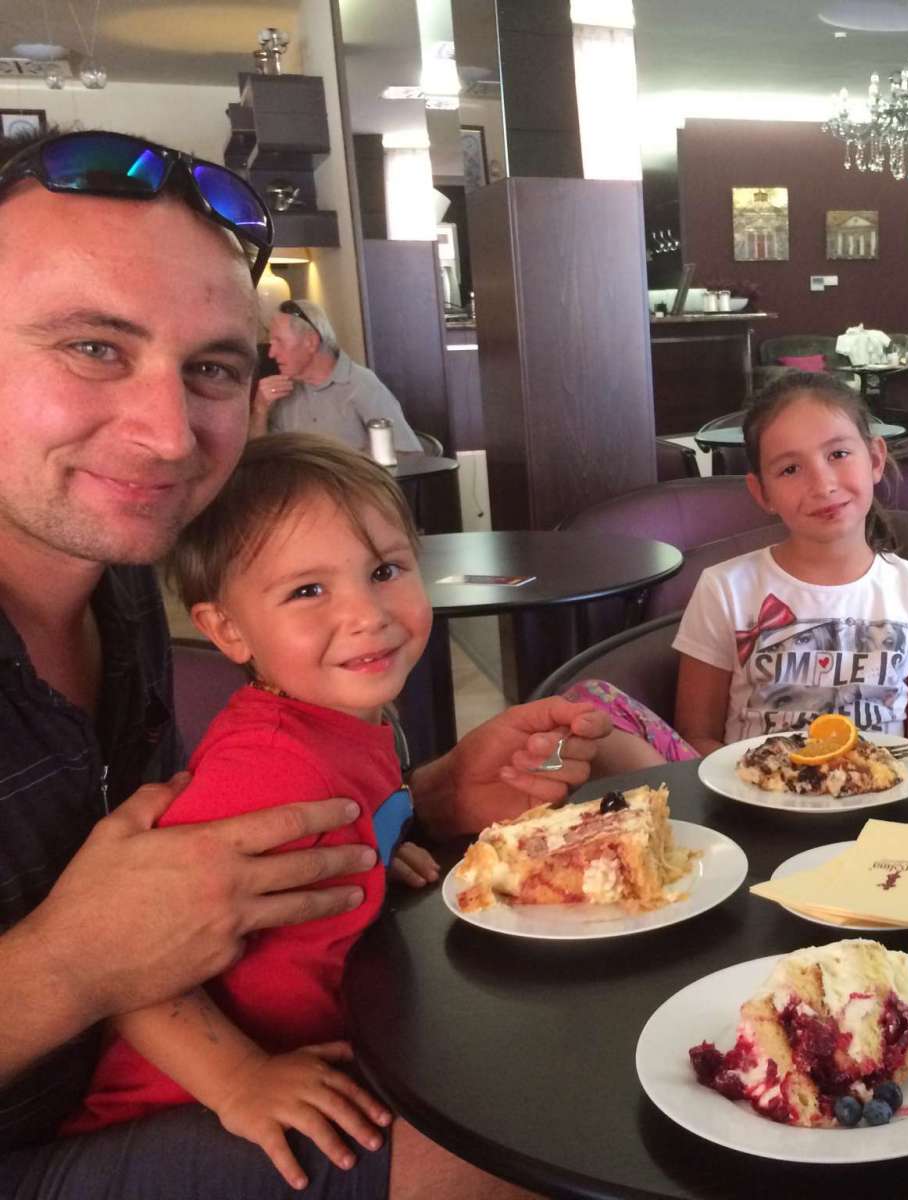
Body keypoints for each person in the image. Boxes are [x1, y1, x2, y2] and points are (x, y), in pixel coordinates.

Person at [0, 127, 605, 1198]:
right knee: (523, 1142)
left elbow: (191, 873)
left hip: (172, 1061)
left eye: (212, 368)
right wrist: (69, 964)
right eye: (93, 347)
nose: (170, 434)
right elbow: (131, 941)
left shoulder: (121, 585)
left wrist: (414, 804)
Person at [59, 433, 446, 1185]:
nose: (367, 614)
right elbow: (124, 967)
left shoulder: (344, 716)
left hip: (322, 1051)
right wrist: (238, 1079)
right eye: (308, 591)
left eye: (385, 570)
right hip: (186, 1103)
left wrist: (369, 851)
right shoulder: (267, 765)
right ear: (228, 630)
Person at [567, 371, 908, 774]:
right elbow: (698, 735)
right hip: (749, 798)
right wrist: (759, 784)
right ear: (762, 492)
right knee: (584, 704)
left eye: (838, 454)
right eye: (790, 469)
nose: (821, 484)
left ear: (875, 459)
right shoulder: (726, 587)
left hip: (888, 794)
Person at [252, 299, 423, 454]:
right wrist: (260, 409)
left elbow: (407, 454)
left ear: (311, 342)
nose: (271, 353)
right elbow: (258, 459)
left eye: (279, 342)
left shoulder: (361, 384)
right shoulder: (284, 391)